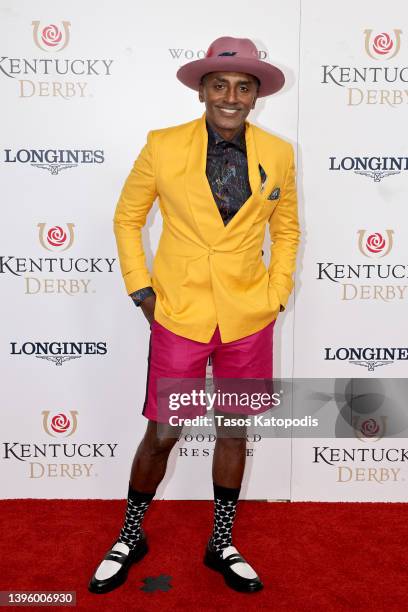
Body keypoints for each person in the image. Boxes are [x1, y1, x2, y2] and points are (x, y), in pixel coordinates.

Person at [88, 35, 300, 595]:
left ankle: (221, 542)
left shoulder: (278, 153)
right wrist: (141, 290)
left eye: (243, 87)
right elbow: (127, 219)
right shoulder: (162, 145)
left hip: (248, 316)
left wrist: (276, 293)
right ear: (203, 90)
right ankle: (131, 534)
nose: (231, 96)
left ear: (256, 95)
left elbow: (287, 228)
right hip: (179, 314)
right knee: (162, 431)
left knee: (234, 430)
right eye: (221, 84)